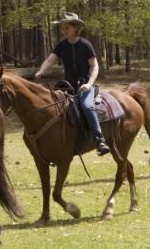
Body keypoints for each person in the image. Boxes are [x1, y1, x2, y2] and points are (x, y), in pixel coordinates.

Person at [34, 12, 110, 156]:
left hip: (84, 86)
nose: (64, 30)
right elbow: (50, 60)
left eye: (67, 27)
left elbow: (95, 67)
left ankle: (100, 140)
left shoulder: (85, 45)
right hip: (66, 86)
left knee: (87, 106)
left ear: (76, 28)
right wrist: (42, 70)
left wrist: (89, 84)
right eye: (62, 28)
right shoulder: (62, 46)